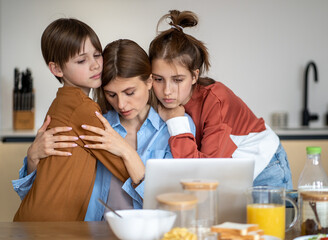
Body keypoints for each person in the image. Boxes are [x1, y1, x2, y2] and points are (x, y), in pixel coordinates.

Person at [12, 39, 195, 220]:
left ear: (148, 81)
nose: (121, 104)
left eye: (130, 92)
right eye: (111, 94)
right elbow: (44, 192)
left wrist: (125, 151)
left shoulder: (175, 127)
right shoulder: (91, 124)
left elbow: (172, 202)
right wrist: (33, 159)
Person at [148, 10, 292, 189]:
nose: (167, 91)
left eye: (178, 80)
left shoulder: (216, 101)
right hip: (230, 171)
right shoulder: (153, 94)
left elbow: (204, 174)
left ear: (194, 76)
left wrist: (176, 120)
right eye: (158, 79)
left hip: (265, 168)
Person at [13, 19, 139, 221]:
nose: (95, 64)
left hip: (36, 215)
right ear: (57, 69)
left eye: (97, 55)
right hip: (50, 224)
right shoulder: (83, 107)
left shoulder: (62, 101)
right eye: (82, 61)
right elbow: (125, 170)